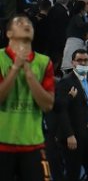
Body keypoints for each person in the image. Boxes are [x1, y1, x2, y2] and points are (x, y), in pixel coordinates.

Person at [0, 14, 56, 181]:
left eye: (29, 23)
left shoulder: (44, 62)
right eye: (20, 22)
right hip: (2, 143)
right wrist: (16, 68)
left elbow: (48, 105)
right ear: (9, 33)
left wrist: (29, 74)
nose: (26, 24)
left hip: (34, 144)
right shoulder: (0, 58)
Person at [54, 49, 88, 181]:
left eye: (85, 60)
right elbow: (61, 110)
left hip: (87, 133)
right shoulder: (66, 82)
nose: (82, 63)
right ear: (72, 62)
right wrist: (69, 134)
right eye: (79, 60)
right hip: (73, 136)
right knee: (72, 174)